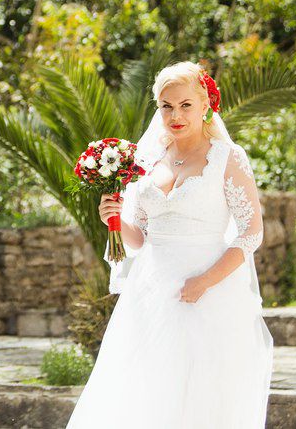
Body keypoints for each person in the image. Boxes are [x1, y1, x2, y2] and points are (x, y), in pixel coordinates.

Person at [66, 61, 273, 427]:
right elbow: (141, 237)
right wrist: (114, 219)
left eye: (185, 105)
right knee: (144, 389)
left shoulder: (227, 157)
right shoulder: (147, 161)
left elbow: (251, 231)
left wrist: (205, 281)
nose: (175, 115)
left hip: (208, 292)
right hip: (151, 289)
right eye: (166, 106)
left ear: (205, 104)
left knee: (199, 392)